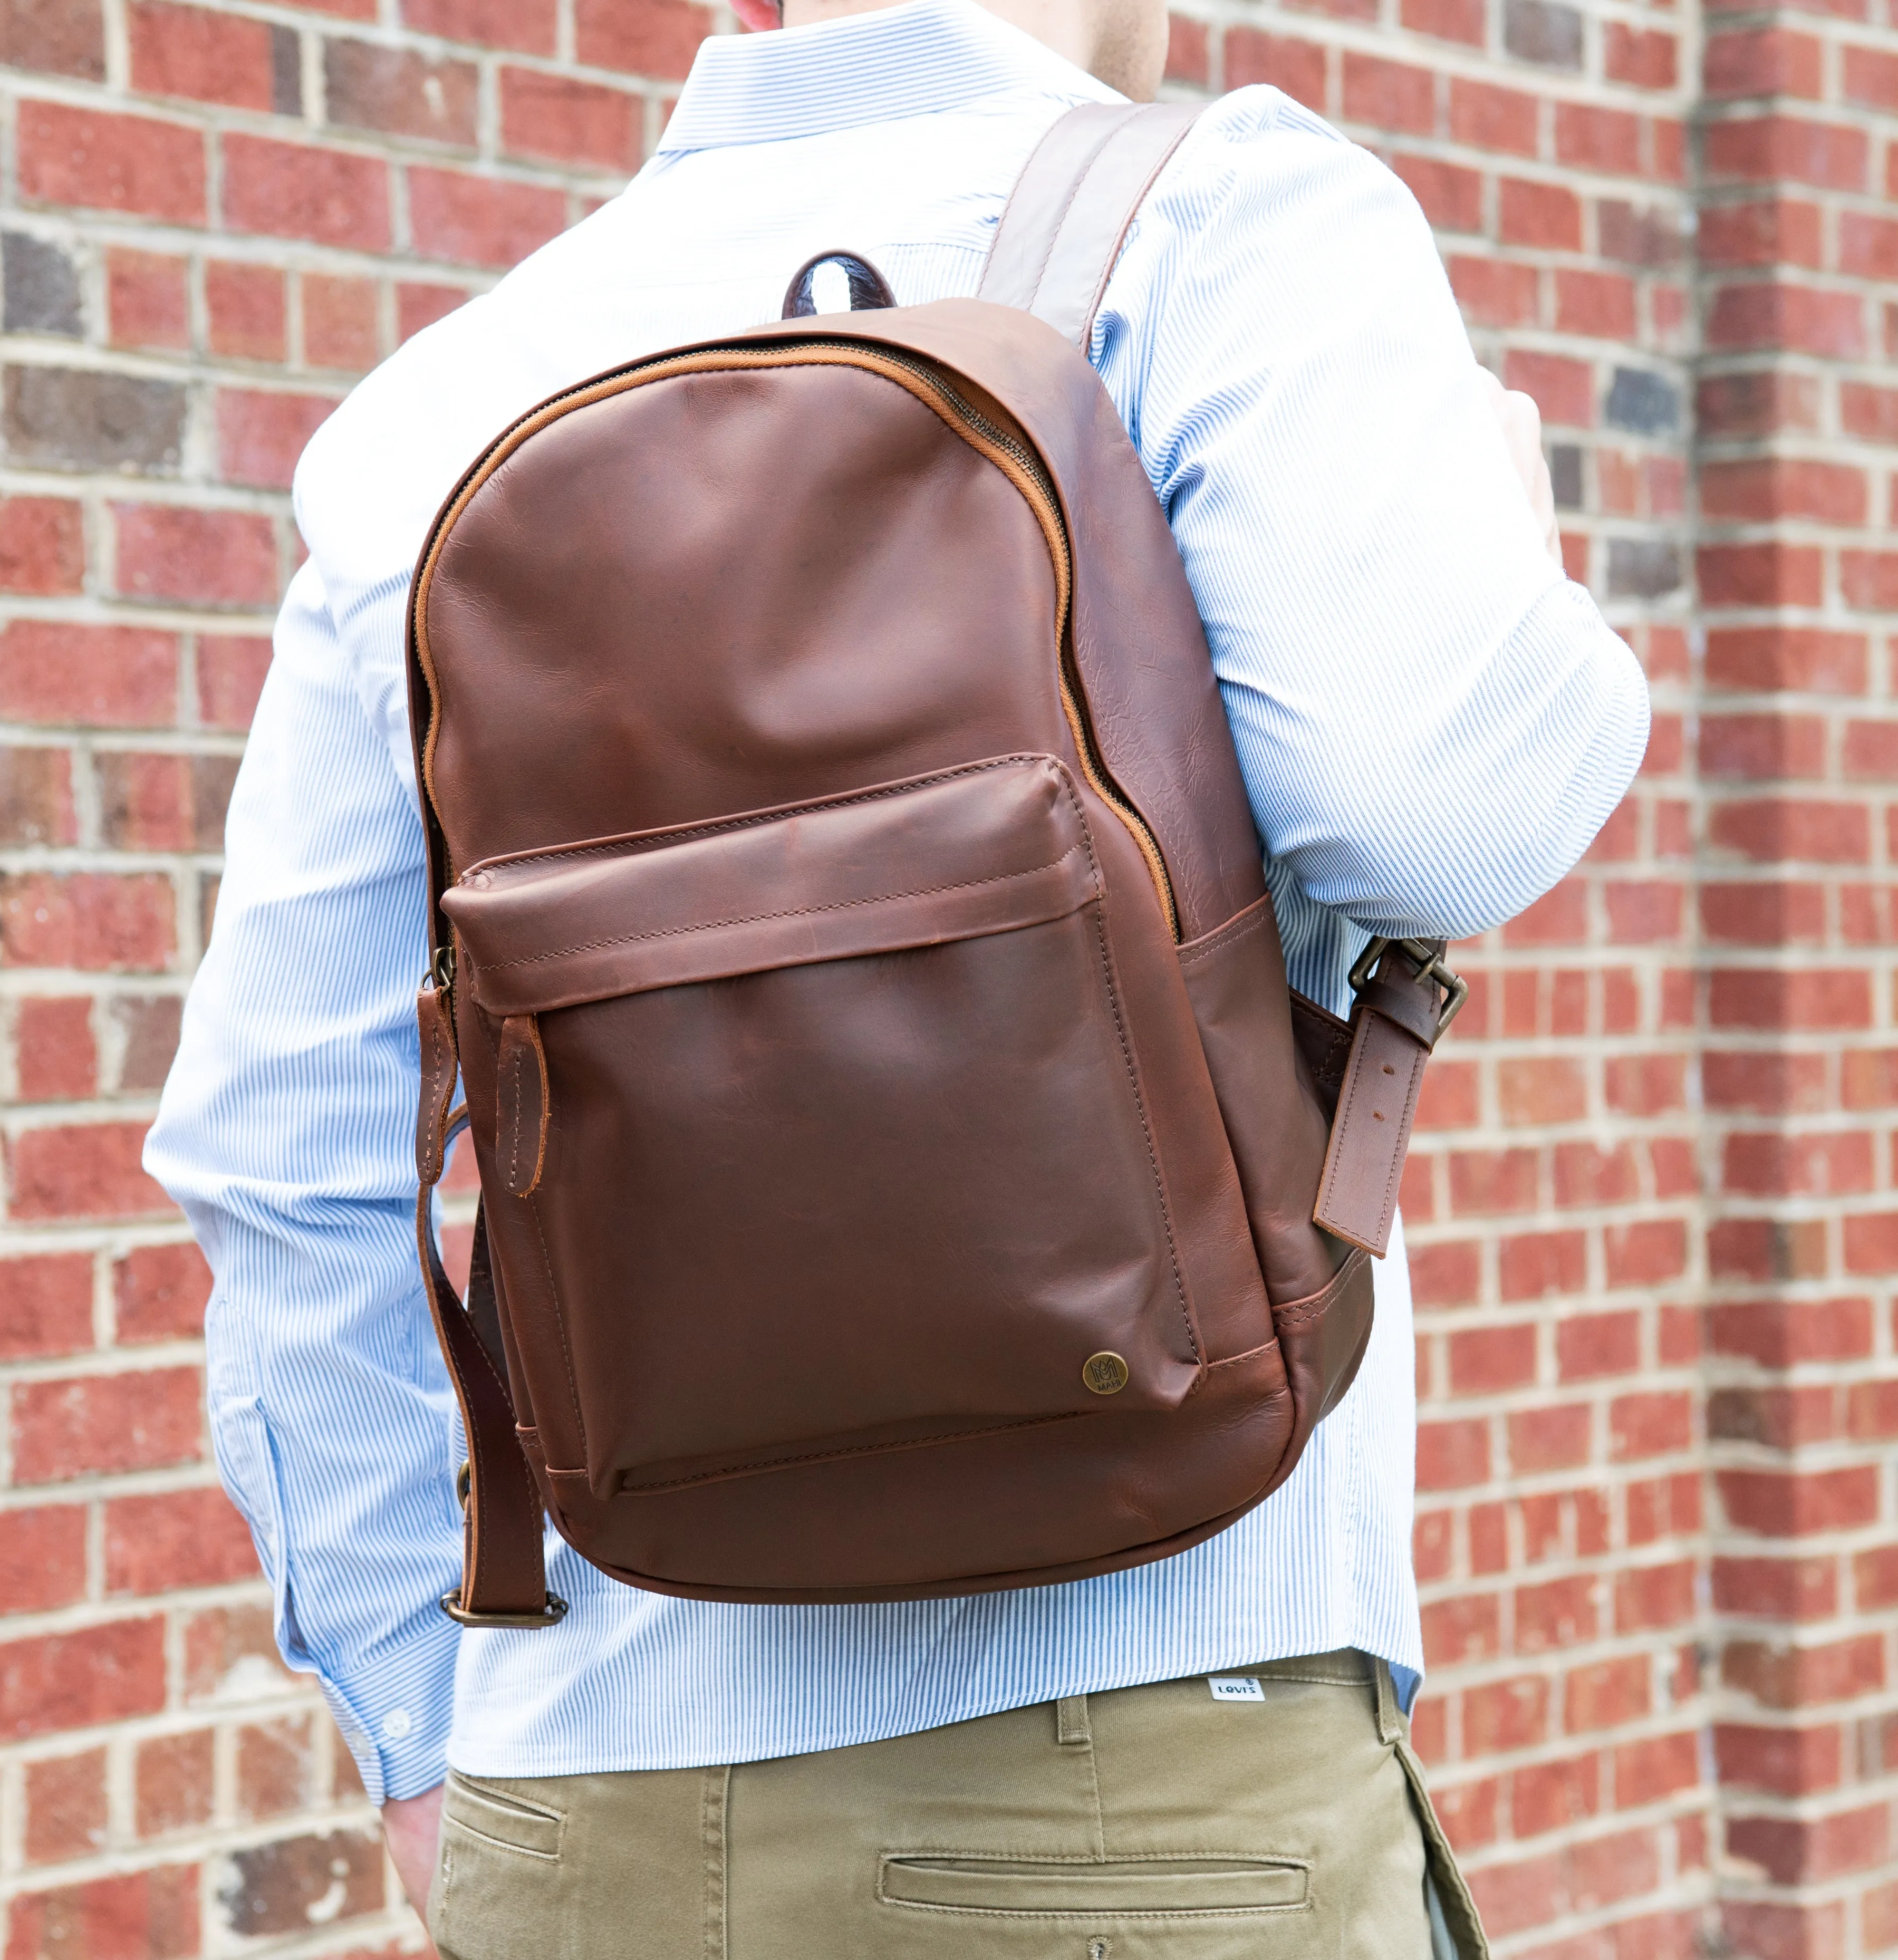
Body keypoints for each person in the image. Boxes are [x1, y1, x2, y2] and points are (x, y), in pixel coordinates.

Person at [144, 0, 1649, 1952]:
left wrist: (426, 1738)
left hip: (579, 1802)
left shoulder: (443, 405)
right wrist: (1529, 577)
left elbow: (275, 1151)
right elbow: (1434, 813)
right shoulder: (1220, 221)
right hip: (1138, 1792)